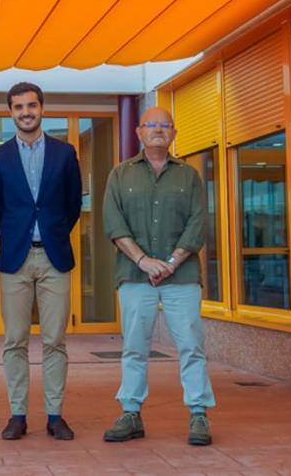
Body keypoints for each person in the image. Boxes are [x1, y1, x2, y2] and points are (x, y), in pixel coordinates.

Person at [101, 106, 215, 446]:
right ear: (138, 132)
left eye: (165, 125)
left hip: (182, 277)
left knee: (192, 346)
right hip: (135, 277)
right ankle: (130, 413)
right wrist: (144, 261)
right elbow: (113, 223)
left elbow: (198, 223)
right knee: (134, 347)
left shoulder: (189, 175)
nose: (158, 130)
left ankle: (198, 414)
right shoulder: (119, 175)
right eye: (151, 125)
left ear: (174, 133)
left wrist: (171, 261)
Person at [0, 82, 82, 441]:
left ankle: (55, 415)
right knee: (15, 340)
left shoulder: (65, 152)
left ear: (42, 108)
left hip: (55, 257)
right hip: (15, 258)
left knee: (55, 339)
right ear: (10, 112)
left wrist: (51, 231)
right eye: (18, 107)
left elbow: (72, 207)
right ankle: (18, 414)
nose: (26, 112)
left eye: (31, 105)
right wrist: (20, 235)